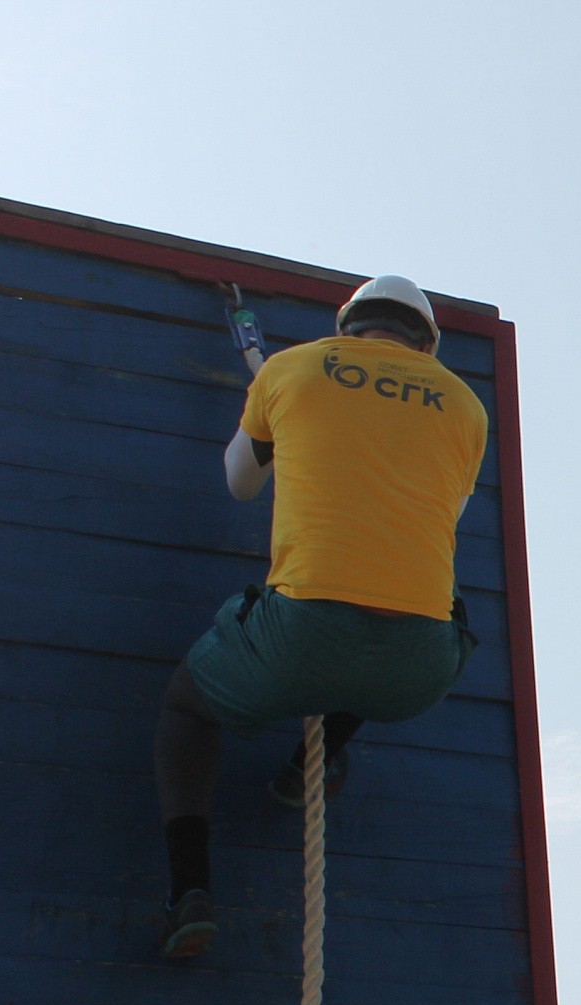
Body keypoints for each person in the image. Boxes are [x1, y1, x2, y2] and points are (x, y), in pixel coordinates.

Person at [155, 275, 489, 959]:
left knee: (186, 706)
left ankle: (190, 890)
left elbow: (240, 484)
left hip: (302, 636)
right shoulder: (466, 405)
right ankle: (312, 759)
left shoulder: (289, 370)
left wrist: (285, 431)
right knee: (407, 604)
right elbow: (440, 518)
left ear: (347, 326)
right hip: (420, 667)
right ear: (427, 345)